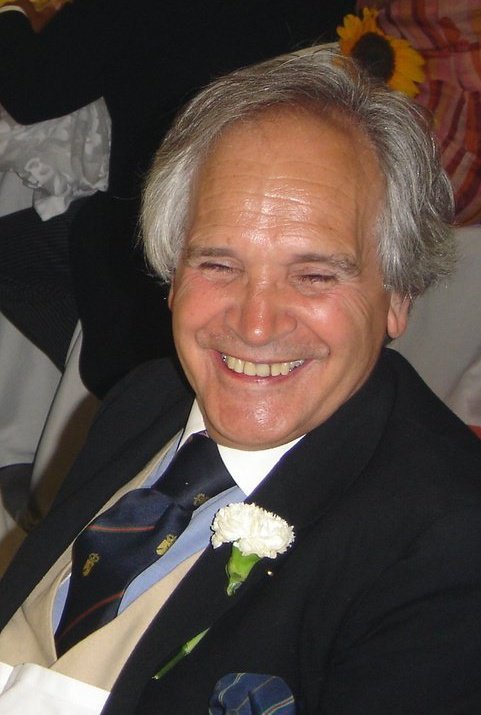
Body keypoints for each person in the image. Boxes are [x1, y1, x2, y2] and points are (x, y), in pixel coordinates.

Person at [0, 48, 480, 714]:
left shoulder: (447, 550)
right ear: (171, 275)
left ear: (398, 294)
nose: (255, 325)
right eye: (219, 265)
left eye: (314, 275)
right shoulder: (148, 399)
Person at [0, 0, 354, 396]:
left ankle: (134, 392)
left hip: (151, 252)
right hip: (291, 237)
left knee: (35, 250)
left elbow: (29, 92)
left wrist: (12, 10)